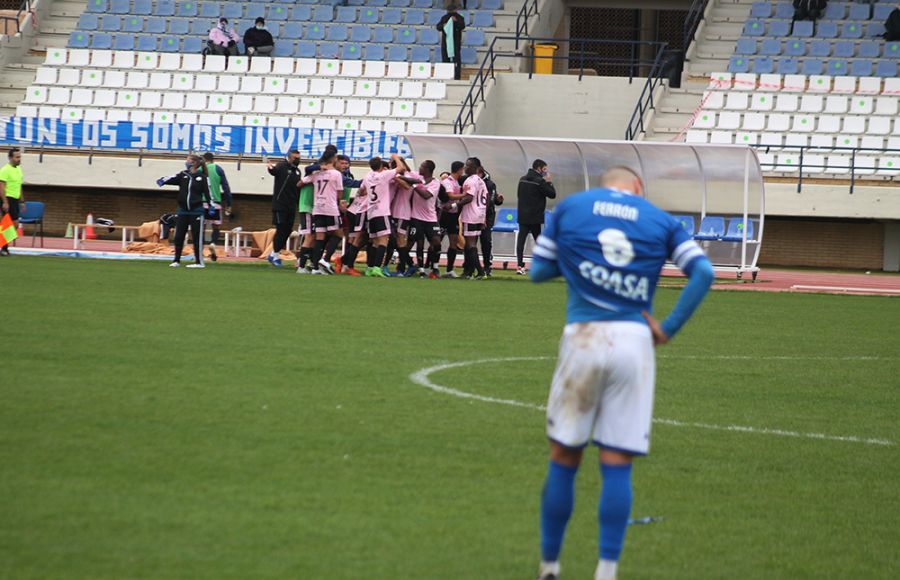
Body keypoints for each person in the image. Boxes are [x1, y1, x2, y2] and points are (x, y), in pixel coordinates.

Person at [530, 166, 714, 580]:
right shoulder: (659, 219)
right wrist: (667, 329)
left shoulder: (572, 207)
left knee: (564, 456)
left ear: (603, 185)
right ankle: (606, 571)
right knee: (616, 462)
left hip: (584, 336)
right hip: (634, 341)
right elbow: (703, 273)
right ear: (638, 188)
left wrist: (581, 263)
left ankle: (549, 567)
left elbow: (538, 271)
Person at [156, 154, 213, 268]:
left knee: (196, 237)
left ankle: (199, 262)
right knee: (179, 236)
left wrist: (211, 206)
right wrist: (163, 180)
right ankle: (176, 260)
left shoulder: (202, 177)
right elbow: (172, 178)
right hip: (182, 211)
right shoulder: (183, 175)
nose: (185, 162)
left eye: (187, 160)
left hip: (196, 211)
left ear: (193, 163)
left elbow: (208, 193)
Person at [300, 150, 345, 275]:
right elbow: (339, 192)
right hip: (330, 208)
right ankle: (325, 259)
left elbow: (300, 183)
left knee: (320, 237)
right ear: (333, 159)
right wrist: (339, 200)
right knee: (339, 234)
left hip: (317, 209)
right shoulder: (336, 174)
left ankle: (315, 267)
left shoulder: (316, 173)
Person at [365, 154, 409, 278]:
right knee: (383, 241)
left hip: (371, 212)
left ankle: (369, 267)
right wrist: (395, 157)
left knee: (374, 241)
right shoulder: (383, 175)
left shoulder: (368, 176)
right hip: (381, 211)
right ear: (381, 166)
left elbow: (362, 189)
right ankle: (377, 268)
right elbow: (400, 168)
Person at [516, 159, 557, 275]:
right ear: (539, 168)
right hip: (535, 216)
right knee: (538, 241)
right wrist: (549, 182)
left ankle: (519, 265)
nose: (546, 172)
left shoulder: (522, 179)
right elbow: (552, 194)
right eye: (544, 169)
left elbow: (519, 195)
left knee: (521, 240)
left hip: (523, 214)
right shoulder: (540, 181)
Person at [408, 160, 444, 279]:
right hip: (416, 217)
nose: (420, 168)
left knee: (437, 243)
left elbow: (426, 195)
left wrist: (413, 184)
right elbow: (406, 172)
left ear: (428, 169)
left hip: (430, 218)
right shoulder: (417, 177)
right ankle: (420, 269)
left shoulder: (435, 183)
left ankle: (435, 267)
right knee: (419, 243)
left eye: (422, 166)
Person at [266, 149, 302, 267]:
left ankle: (273, 253)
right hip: (280, 204)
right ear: (289, 157)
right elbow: (274, 171)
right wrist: (270, 168)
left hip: (291, 206)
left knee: (288, 230)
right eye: (295, 158)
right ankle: (275, 255)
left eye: (298, 158)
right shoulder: (282, 166)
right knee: (281, 229)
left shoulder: (297, 172)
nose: (297, 160)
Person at [458, 156, 487, 279]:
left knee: (470, 245)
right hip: (479, 214)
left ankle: (480, 272)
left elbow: (469, 197)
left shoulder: (471, 180)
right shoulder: (481, 181)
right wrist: (483, 217)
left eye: (468, 165)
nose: (465, 167)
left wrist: (454, 204)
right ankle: (469, 272)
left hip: (471, 215)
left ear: (476, 168)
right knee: (471, 243)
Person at [201, 152, 232, 262]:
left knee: (201, 228)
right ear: (213, 160)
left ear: (204, 159)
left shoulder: (200, 169)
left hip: (203, 202)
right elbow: (226, 187)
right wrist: (229, 204)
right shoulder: (218, 169)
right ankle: (213, 243)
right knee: (216, 227)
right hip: (216, 202)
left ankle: (200, 252)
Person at [439, 161, 465, 278]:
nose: (463, 171)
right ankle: (431, 266)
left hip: (454, 216)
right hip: (444, 215)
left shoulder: (456, 182)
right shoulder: (447, 181)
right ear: (459, 169)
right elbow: (450, 195)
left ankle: (449, 270)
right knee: (436, 241)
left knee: (454, 242)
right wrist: (465, 195)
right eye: (462, 169)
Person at [479, 166, 503, 277]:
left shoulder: (489, 184)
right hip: (473, 215)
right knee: (471, 241)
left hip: (487, 216)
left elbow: (491, 200)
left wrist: (497, 201)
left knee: (486, 240)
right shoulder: (470, 180)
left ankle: (487, 266)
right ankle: (469, 267)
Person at [0, 148, 24, 256]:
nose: (19, 159)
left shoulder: (18, 169)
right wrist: (5, 202)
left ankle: (4, 248)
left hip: (15, 200)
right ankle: (4, 249)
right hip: (7, 199)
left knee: (12, 225)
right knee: (11, 224)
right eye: (17, 157)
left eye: (20, 157)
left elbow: (19, 186)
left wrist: (22, 201)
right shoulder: (5, 170)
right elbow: (1, 186)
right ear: (10, 158)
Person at [437, 3, 465, 80]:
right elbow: (438, 27)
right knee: (446, 59)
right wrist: (444, 25)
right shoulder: (444, 18)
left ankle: (457, 77)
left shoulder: (459, 18)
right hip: (446, 42)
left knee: (456, 60)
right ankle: (446, 76)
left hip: (455, 42)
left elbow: (462, 26)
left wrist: (455, 22)